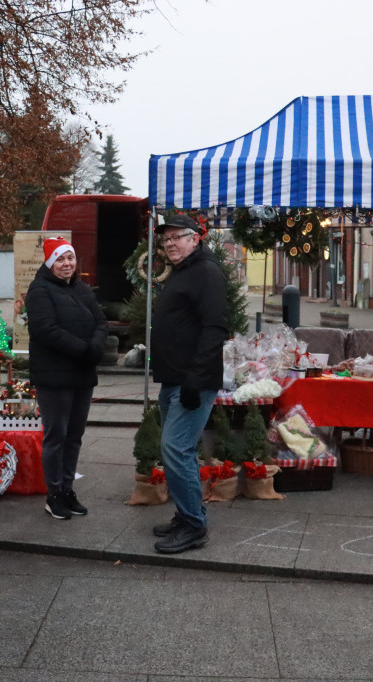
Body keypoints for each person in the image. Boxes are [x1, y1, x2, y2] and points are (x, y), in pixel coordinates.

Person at [149, 214, 229, 554]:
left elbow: (214, 329)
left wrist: (195, 382)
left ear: (195, 238)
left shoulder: (206, 273)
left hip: (191, 382)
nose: (169, 244)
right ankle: (186, 514)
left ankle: (194, 526)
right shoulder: (185, 271)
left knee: (175, 448)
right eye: (165, 240)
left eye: (176, 237)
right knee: (177, 452)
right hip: (173, 379)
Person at [25, 237, 108, 519]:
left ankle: (68, 489)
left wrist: (96, 346)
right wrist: (85, 350)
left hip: (82, 374)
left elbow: (100, 322)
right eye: (60, 259)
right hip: (54, 376)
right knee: (56, 436)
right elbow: (45, 330)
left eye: (70, 258)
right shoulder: (39, 290)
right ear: (50, 262)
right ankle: (54, 493)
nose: (67, 264)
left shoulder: (83, 289)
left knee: (74, 436)